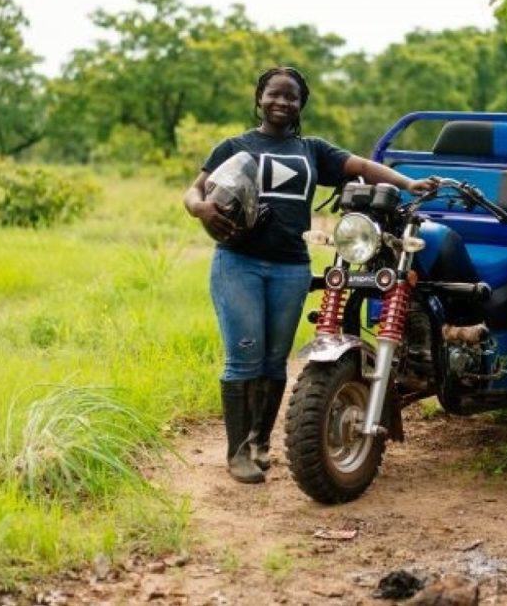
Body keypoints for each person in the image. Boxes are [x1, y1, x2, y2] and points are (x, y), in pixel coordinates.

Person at [184, 66, 438, 484]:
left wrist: (409, 183)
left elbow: (363, 166)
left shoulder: (313, 150)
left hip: (290, 267)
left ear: (301, 104)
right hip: (238, 262)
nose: (282, 102)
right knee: (243, 357)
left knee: (273, 360)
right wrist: (202, 210)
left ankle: (261, 442)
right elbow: (194, 191)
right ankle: (237, 454)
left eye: (291, 97)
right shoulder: (235, 145)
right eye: (274, 94)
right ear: (259, 97)